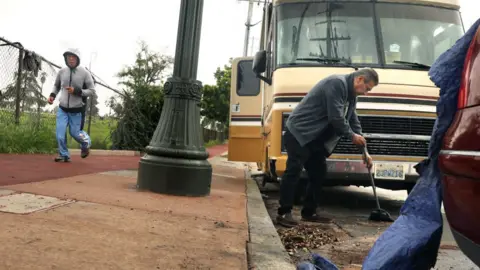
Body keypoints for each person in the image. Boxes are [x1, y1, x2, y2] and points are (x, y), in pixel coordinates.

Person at [276, 68, 378, 227]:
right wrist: (352, 136)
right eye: (367, 88)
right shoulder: (336, 84)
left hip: (315, 138)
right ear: (359, 80)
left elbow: (353, 121)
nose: (366, 93)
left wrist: (365, 152)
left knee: (318, 171)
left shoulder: (351, 95)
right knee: (294, 170)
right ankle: (284, 212)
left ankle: (309, 212)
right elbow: (336, 118)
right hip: (299, 132)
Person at [48, 48, 94, 162]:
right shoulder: (62, 71)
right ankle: (64, 154)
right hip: (63, 109)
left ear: (78, 59)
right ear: (66, 59)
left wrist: (77, 91)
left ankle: (86, 142)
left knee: (75, 134)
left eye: (73, 57)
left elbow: (92, 90)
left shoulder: (84, 73)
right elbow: (57, 85)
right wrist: (52, 95)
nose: (71, 59)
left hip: (77, 110)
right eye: (69, 57)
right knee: (60, 134)